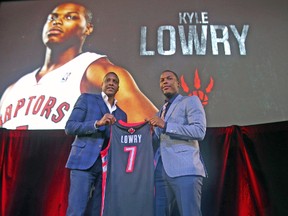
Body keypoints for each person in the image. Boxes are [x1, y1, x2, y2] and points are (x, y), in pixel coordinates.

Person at [0, 2, 157, 129]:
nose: (57, 21)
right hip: (17, 166)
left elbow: (150, 123)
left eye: (70, 17)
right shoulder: (13, 88)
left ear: (88, 28)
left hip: (68, 165)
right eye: (52, 18)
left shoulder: (94, 69)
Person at [65, 72, 127, 216]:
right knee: (76, 210)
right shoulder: (87, 99)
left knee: (100, 211)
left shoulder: (122, 115)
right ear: (102, 84)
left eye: (115, 81)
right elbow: (70, 127)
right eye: (108, 80)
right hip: (83, 162)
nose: (111, 83)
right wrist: (97, 123)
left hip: (107, 168)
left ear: (118, 87)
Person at [147, 70, 207, 216]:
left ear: (178, 84)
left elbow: (199, 131)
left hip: (185, 170)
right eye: (162, 80)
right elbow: (158, 139)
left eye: (169, 78)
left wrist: (166, 125)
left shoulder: (190, 101)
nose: (165, 82)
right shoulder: (160, 112)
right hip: (161, 172)